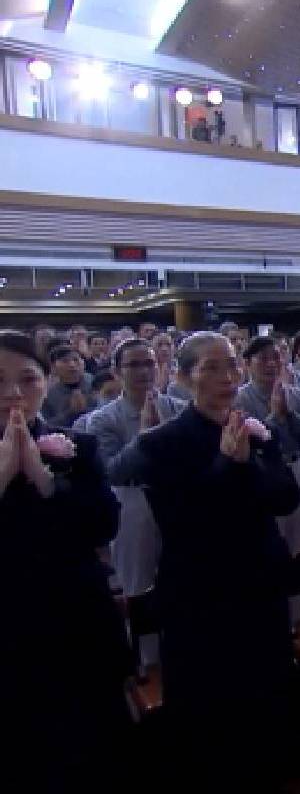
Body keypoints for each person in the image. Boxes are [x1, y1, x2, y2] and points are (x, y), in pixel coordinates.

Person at [131, 331, 300, 789]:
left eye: (231, 365)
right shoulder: (162, 443)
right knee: (211, 711)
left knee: (264, 697)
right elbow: (184, 520)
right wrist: (227, 466)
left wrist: (246, 464)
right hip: (201, 595)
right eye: (211, 367)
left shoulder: (253, 428)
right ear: (184, 378)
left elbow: (288, 496)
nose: (227, 377)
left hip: (259, 583)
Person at [1, 331, 132, 792]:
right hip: (10, 633)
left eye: (27, 379)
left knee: (95, 748)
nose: (14, 393)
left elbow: (103, 524)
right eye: (0, 381)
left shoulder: (77, 447)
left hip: (79, 619)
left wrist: (44, 479)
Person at [86, 338, 186, 599]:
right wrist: (143, 439)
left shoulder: (180, 409)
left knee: (183, 582)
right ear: (118, 372)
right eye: (134, 365)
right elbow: (112, 472)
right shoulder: (103, 419)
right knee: (138, 588)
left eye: (149, 363)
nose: (144, 371)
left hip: (179, 499)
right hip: (132, 501)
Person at [235, 337, 300, 572]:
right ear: (247, 364)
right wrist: (274, 419)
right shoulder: (240, 399)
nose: (271, 364)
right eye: (263, 359)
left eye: (276, 358)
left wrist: (287, 416)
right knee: (273, 543)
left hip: (297, 469)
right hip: (264, 479)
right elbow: (254, 442)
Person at [41, 343, 96, 428]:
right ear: (53, 367)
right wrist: (70, 413)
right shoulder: (47, 394)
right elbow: (46, 425)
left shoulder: (95, 383)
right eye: (65, 361)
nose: (72, 365)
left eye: (76, 360)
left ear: (83, 363)